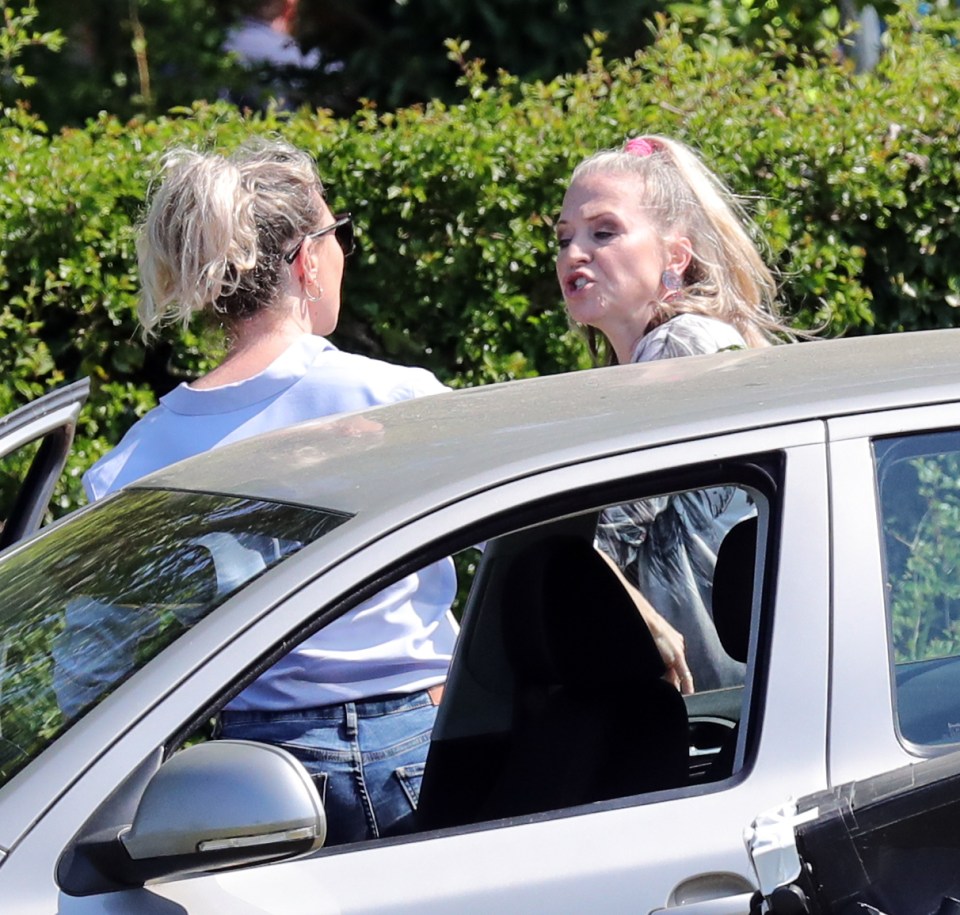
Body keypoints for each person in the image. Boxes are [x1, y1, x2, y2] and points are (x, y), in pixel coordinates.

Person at [75, 138, 458, 846]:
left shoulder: (138, 457)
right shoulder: (397, 400)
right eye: (339, 234)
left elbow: (88, 662)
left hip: (237, 778)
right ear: (306, 259)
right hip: (406, 745)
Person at [555, 134, 794, 692]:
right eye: (564, 237)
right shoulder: (654, 358)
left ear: (675, 257)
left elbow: (603, 541)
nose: (574, 253)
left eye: (604, 232)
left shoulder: (682, 347)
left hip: (723, 706)